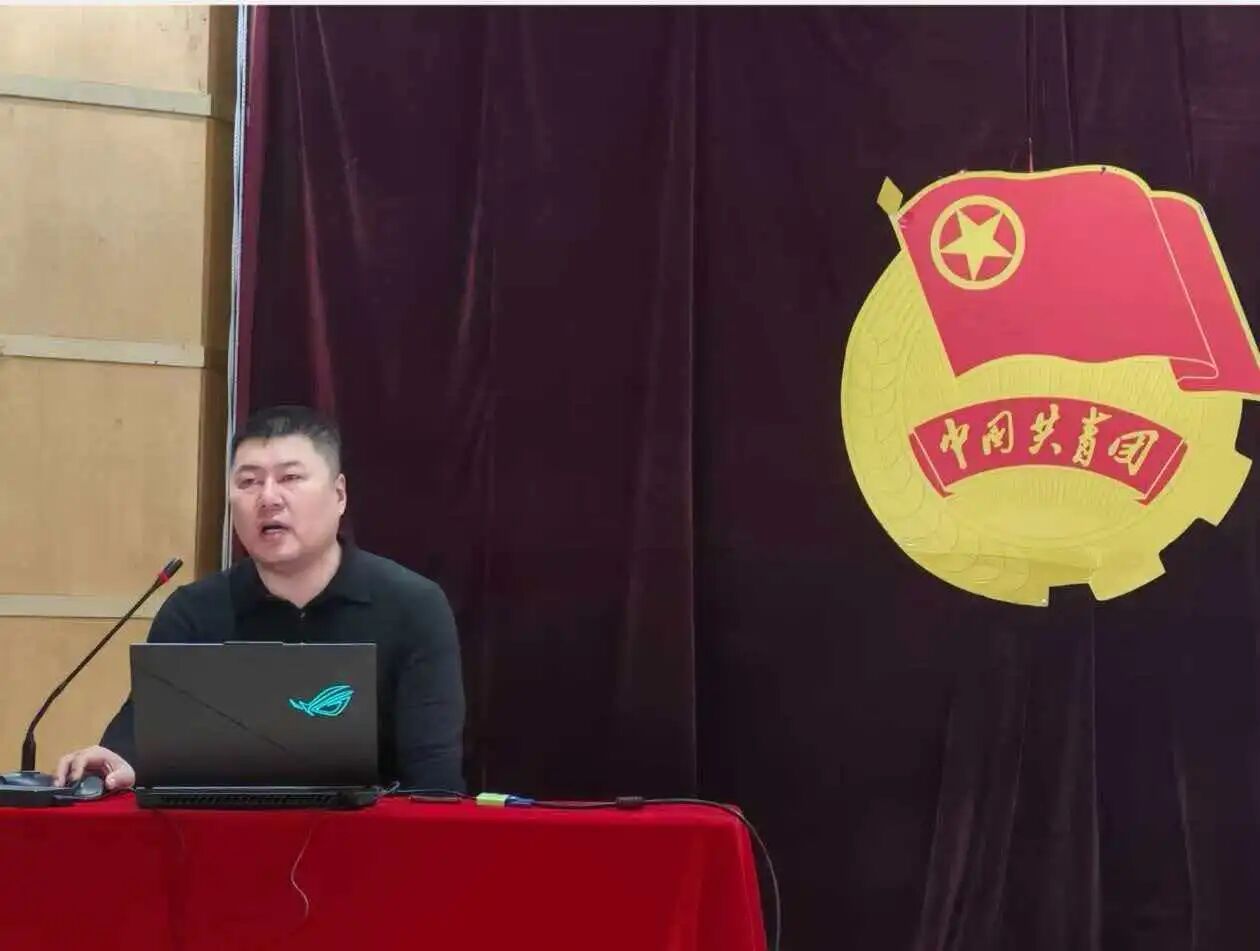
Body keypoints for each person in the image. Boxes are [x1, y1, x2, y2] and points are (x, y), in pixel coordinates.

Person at [53, 405, 466, 792]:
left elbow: (434, 780)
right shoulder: (193, 612)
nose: (268, 498)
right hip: (220, 836)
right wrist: (115, 763)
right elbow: (138, 741)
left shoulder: (412, 607)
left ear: (339, 495)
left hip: (369, 840)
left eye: (290, 478)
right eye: (248, 482)